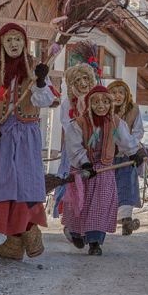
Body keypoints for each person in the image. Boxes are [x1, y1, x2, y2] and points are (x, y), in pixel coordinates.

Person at [0, 23, 59, 260]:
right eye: (9, 40)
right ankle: (13, 243)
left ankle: (30, 229)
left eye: (18, 40)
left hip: (26, 135)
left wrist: (41, 81)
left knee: (23, 183)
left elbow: (46, 100)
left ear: (25, 42)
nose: (13, 44)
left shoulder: (35, 68)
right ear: (1, 43)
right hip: (1, 135)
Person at [61, 86, 121, 256]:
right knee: (80, 205)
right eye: (96, 102)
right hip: (84, 172)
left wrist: (135, 152)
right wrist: (85, 163)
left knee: (100, 207)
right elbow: (73, 146)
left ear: (110, 104)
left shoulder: (115, 122)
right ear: (89, 104)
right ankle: (75, 233)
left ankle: (95, 242)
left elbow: (125, 140)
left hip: (104, 171)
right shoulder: (79, 123)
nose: (101, 105)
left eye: (105, 102)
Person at [55, 56, 98, 230]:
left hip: (94, 148)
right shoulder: (68, 104)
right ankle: (72, 226)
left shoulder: (98, 100)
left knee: (92, 187)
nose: (82, 83)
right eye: (78, 80)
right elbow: (67, 123)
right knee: (74, 186)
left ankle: (90, 226)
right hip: (74, 149)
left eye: (86, 78)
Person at [108, 80, 146, 235]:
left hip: (126, 155)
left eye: (121, 92)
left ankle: (126, 221)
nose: (118, 96)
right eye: (114, 92)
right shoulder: (103, 108)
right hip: (108, 155)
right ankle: (105, 219)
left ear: (126, 95)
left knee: (126, 185)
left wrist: (132, 146)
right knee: (108, 186)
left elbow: (138, 131)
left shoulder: (133, 110)